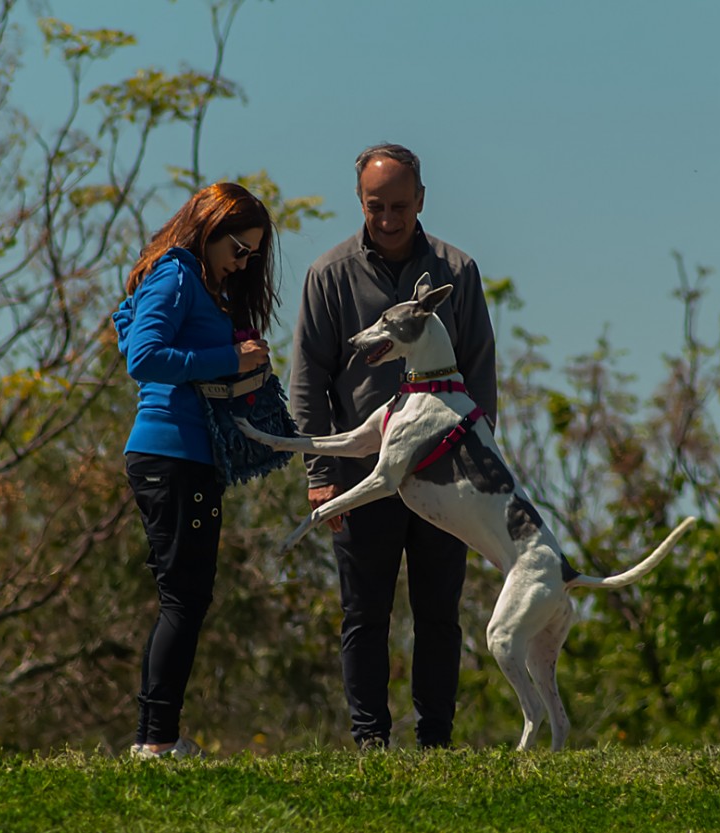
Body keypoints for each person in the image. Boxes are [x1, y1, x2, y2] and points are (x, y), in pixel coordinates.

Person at [290, 143, 498, 750]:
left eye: (399, 205)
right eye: (375, 205)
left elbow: (481, 374)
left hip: (445, 477)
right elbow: (308, 380)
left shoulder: (458, 273)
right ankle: (370, 743)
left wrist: (478, 462)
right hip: (361, 477)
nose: (387, 218)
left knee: (438, 614)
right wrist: (321, 474)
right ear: (360, 202)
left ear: (421, 200)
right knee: (365, 616)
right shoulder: (329, 275)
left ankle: (436, 741)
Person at [112, 182, 278, 759]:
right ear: (208, 225)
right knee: (184, 599)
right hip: (173, 451)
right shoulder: (178, 272)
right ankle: (156, 743)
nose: (244, 261)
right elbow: (144, 357)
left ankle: (156, 738)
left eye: (253, 254)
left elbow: (131, 332)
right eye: (239, 246)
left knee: (185, 597)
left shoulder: (194, 281)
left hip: (187, 454)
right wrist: (230, 359)